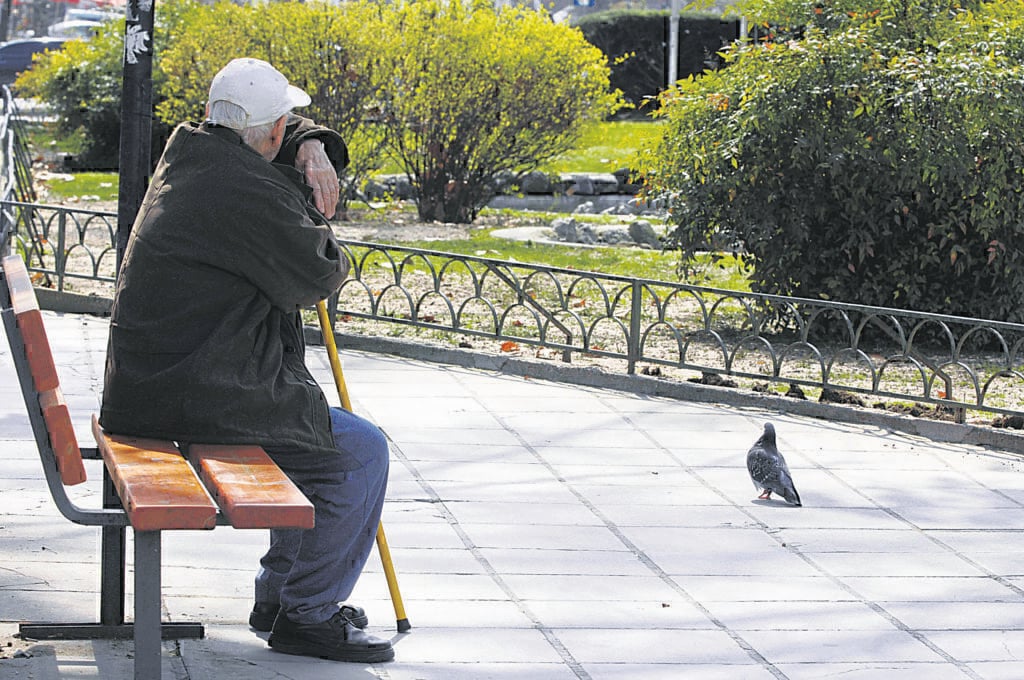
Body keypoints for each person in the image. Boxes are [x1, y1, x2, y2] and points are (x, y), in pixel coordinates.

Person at [99, 57, 394, 664]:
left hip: (162, 381)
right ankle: (307, 614)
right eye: (290, 125)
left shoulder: (196, 155)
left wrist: (310, 145)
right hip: (191, 392)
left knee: (307, 429)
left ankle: (281, 597)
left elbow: (269, 151)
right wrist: (308, 192)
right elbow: (318, 273)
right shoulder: (243, 193)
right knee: (359, 454)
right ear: (273, 132)